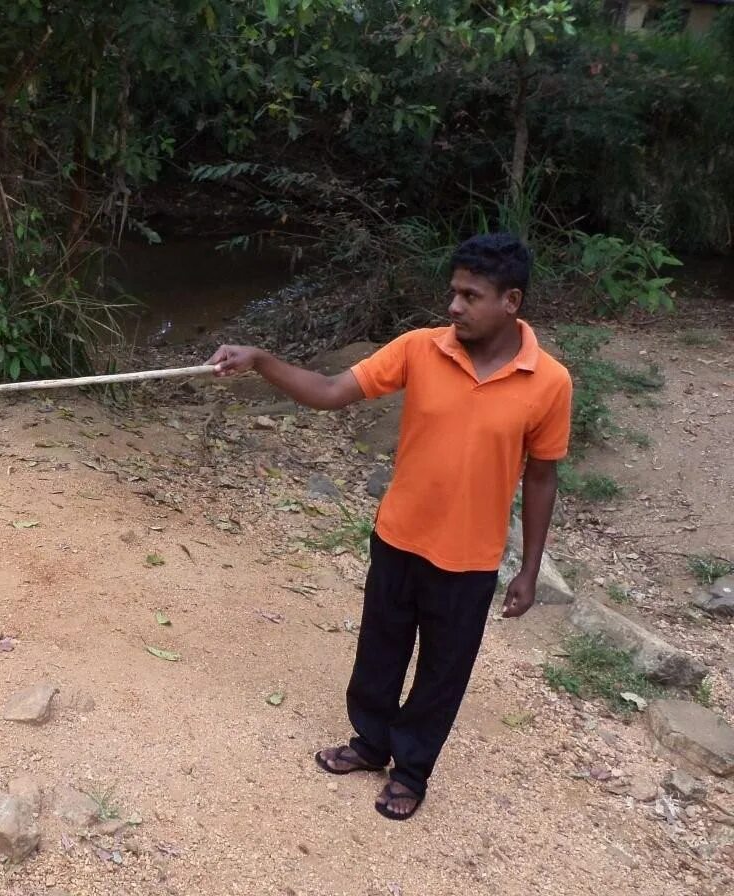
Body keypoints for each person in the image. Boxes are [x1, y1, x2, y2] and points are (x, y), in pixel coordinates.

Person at [206, 232, 572, 821]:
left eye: (470, 296)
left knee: (441, 673)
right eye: (453, 292)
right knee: (379, 649)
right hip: (399, 536)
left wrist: (529, 569)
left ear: (511, 302)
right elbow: (329, 392)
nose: (453, 306)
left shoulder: (549, 381)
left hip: (471, 558)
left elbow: (542, 477)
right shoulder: (419, 349)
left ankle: (412, 771)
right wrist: (262, 361)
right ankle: (370, 743)